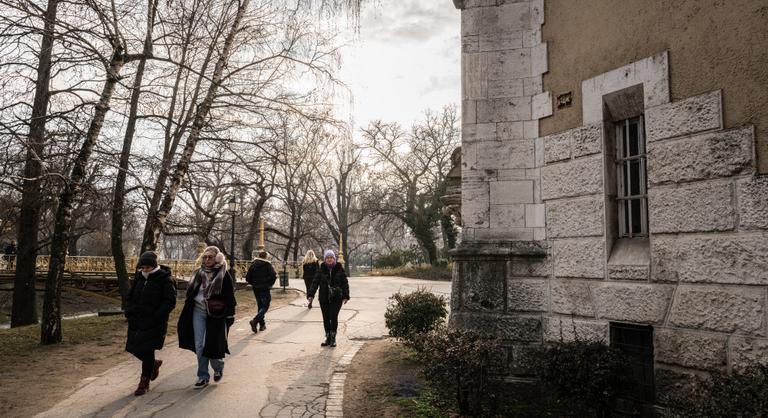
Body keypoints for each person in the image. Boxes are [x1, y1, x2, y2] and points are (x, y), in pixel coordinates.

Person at [177, 246, 236, 388]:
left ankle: (218, 367)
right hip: (198, 311)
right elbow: (190, 293)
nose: (207, 259)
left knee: (213, 344)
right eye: (205, 257)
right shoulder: (198, 273)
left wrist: (230, 315)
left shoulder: (223, 274)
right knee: (200, 345)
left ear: (217, 258)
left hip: (216, 314)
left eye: (210, 257)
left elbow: (229, 297)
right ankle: (202, 376)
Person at [124, 251, 177, 396]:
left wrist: (156, 315)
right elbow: (130, 296)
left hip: (154, 322)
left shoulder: (165, 279)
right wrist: (128, 311)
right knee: (133, 347)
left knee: (147, 351)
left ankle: (144, 383)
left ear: (154, 266)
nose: (144, 270)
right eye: (142, 267)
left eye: (147, 267)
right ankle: (153, 364)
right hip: (137, 320)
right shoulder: (139, 278)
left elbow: (170, 301)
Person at [307, 249, 349, 347]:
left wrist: (346, 296)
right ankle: (328, 337)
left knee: (333, 317)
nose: (329, 259)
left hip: (336, 298)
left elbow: (345, 283)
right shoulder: (321, 269)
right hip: (324, 297)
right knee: (326, 318)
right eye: (327, 258)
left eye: (331, 258)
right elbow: (315, 282)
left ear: (334, 259)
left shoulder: (339, 268)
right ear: (325, 259)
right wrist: (311, 294)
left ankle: (333, 338)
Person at [245, 250, 276, 333]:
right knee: (265, 305)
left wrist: (254, 283)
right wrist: (269, 284)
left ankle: (262, 325)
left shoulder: (253, 265)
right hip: (265, 288)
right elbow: (273, 276)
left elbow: (248, 278)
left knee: (260, 305)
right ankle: (255, 321)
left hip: (256, 288)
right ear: (266, 257)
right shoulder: (267, 265)